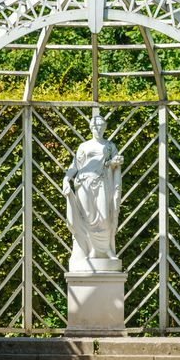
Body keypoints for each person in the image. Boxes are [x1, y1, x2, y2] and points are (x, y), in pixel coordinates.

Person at [63, 115, 123, 270]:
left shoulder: (110, 146)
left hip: (102, 182)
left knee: (104, 216)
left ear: (105, 127)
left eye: (101, 126)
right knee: (87, 217)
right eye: (95, 126)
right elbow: (75, 165)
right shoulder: (84, 146)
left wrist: (115, 163)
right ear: (91, 128)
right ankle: (92, 250)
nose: (98, 129)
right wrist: (66, 179)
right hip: (84, 184)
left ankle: (107, 249)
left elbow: (114, 162)